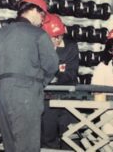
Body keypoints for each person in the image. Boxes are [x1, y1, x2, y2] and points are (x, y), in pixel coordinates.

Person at [0, 0, 59, 152]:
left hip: (4, 92)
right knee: (27, 146)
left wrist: (9, 77)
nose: (42, 21)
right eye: (42, 15)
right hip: (27, 92)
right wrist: (39, 82)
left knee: (10, 144)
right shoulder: (38, 34)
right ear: (33, 10)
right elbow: (52, 65)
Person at [40, 13, 79, 149]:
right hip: (45, 99)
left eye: (60, 36)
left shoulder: (70, 47)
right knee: (47, 137)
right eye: (53, 37)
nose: (57, 40)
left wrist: (53, 76)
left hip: (67, 98)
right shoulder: (37, 46)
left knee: (70, 138)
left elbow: (71, 73)